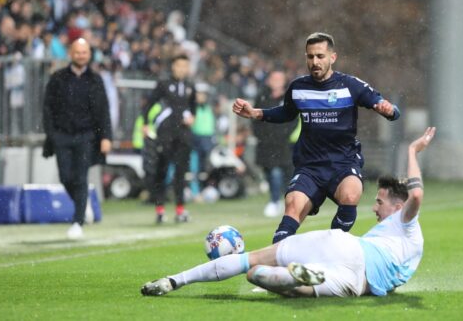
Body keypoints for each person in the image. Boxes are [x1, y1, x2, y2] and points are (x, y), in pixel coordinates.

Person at [140, 127, 435, 298]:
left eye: (380, 202)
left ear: (398, 207)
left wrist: (412, 151)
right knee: (297, 291)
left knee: (250, 263)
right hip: (356, 280)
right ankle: (296, 279)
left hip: (340, 244)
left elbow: (417, 194)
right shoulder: (406, 246)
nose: (374, 207)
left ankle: (174, 281)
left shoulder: (405, 221)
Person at [233, 32, 400, 243]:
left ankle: (330, 249)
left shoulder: (350, 85)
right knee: (293, 204)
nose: (315, 62)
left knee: (350, 195)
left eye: (320, 56)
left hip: (343, 162)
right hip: (310, 166)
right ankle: (275, 261)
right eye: (310, 57)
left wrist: (389, 110)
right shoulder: (298, 87)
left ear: (333, 57)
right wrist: (256, 113)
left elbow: (390, 110)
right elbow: (286, 113)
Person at [42, 38, 112, 239]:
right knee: (65, 177)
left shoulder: (96, 80)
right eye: (78, 52)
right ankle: (83, 204)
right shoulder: (57, 78)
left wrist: (106, 137)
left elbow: (103, 111)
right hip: (62, 135)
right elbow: (48, 108)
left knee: (81, 178)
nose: (81, 55)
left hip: (86, 136)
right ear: (70, 53)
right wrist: (52, 134)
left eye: (85, 52)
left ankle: (77, 220)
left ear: (89, 54)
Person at [143, 54, 196, 223]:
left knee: (180, 174)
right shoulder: (163, 84)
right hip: (165, 135)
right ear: (173, 67)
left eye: (185, 66)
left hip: (183, 136)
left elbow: (193, 108)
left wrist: (192, 117)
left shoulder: (190, 86)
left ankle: (180, 210)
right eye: (179, 65)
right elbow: (148, 104)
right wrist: (145, 123)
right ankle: (160, 210)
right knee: (162, 172)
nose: (182, 69)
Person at [252, 70, 296, 217]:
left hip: (283, 144)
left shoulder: (289, 98)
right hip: (265, 143)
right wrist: (261, 135)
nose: (276, 81)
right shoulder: (262, 96)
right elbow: (255, 117)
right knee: (268, 171)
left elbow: (293, 120)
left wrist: (283, 135)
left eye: (279, 78)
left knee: (278, 172)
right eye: (273, 78)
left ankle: (276, 201)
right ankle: (277, 199)